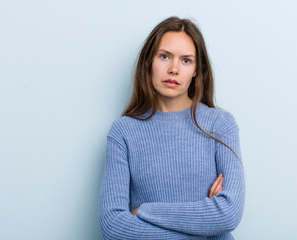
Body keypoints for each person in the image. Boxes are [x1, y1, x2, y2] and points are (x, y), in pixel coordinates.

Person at [98, 16, 245, 240]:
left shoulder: (220, 124)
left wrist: (145, 211)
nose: (174, 69)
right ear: (149, 61)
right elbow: (114, 226)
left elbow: (228, 214)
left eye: (186, 60)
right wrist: (203, 222)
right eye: (164, 56)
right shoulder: (123, 132)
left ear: (197, 69)